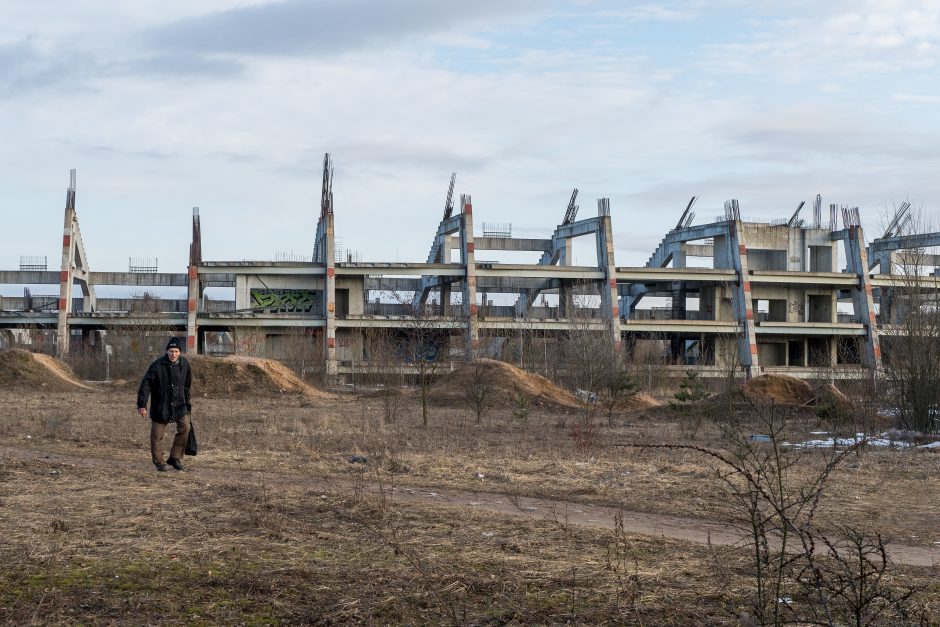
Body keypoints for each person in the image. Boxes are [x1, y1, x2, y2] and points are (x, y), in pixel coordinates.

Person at [137, 337, 192, 471]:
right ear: (167, 351)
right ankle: (159, 462)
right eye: (171, 351)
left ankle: (175, 457)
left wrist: (187, 403)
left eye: (176, 351)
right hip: (161, 406)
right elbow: (146, 385)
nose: (173, 354)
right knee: (156, 435)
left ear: (180, 352)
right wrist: (142, 405)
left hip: (180, 405)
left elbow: (187, 385)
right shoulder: (157, 365)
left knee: (185, 427)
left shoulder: (185, 364)